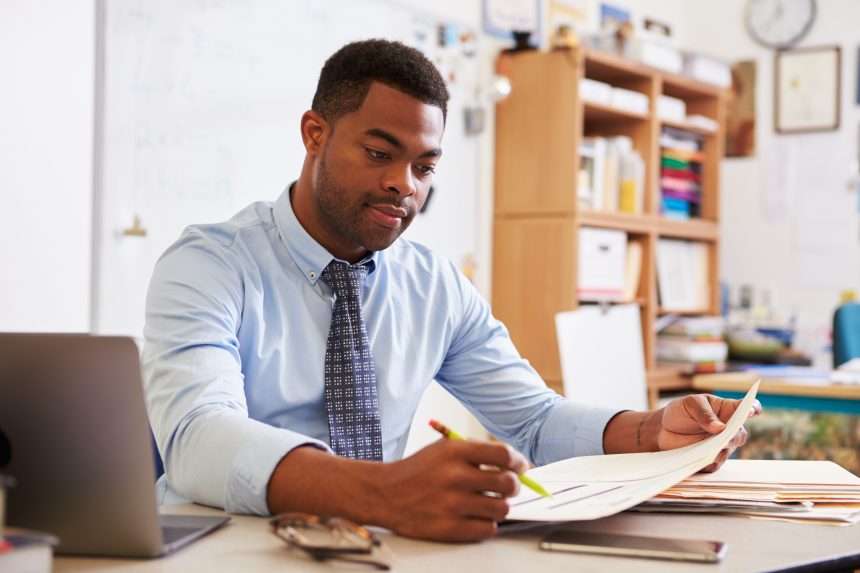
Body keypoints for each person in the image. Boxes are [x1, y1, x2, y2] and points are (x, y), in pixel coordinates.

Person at [142, 39, 760, 543]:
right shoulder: (210, 264)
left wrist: (651, 430)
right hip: (224, 548)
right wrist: (382, 492)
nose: (404, 186)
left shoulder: (433, 285)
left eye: (425, 167)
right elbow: (198, 438)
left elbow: (535, 419)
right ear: (314, 134)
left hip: (371, 545)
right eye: (379, 153)